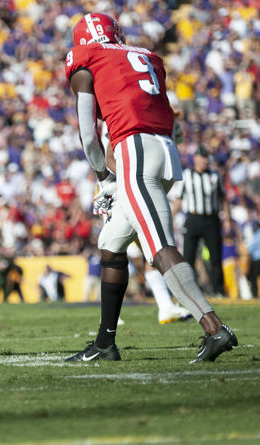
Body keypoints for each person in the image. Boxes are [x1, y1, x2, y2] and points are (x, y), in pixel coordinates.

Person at [64, 12, 237, 363]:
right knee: (111, 246)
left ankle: (215, 328)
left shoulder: (86, 60)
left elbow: (87, 134)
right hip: (164, 149)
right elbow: (164, 114)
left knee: (159, 248)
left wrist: (103, 178)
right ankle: (104, 344)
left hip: (136, 152)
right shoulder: (144, 56)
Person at [172, 146, 230, 298]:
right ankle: (190, 291)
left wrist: (227, 219)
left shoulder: (215, 176)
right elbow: (178, 199)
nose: (205, 161)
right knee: (189, 255)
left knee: (216, 256)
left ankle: (219, 290)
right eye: (202, 157)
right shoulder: (186, 176)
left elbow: (223, 198)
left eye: (207, 158)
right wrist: (171, 217)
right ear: (196, 158)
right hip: (193, 218)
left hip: (211, 219)